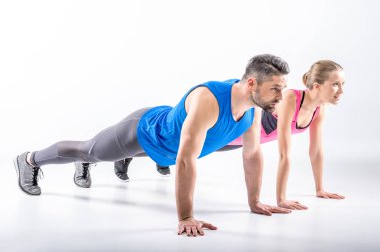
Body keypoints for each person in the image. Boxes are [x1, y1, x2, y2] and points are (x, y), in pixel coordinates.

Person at [14, 54, 291, 236]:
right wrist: (186, 217)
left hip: (164, 148)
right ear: (252, 83)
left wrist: (254, 201)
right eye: (275, 88)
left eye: (283, 88)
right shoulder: (209, 99)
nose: (281, 96)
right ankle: (29, 160)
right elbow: (186, 160)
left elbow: (252, 153)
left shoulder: (254, 107)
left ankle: (123, 159)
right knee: (90, 151)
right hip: (142, 132)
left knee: (153, 152)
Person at [107, 60, 345, 211]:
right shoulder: (288, 99)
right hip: (221, 133)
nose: (340, 90)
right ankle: (117, 154)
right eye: (336, 84)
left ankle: (131, 155)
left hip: (237, 137)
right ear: (317, 85)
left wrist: (319, 189)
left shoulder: (314, 110)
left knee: (179, 152)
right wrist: (280, 198)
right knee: (178, 149)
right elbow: (284, 154)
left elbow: (313, 151)